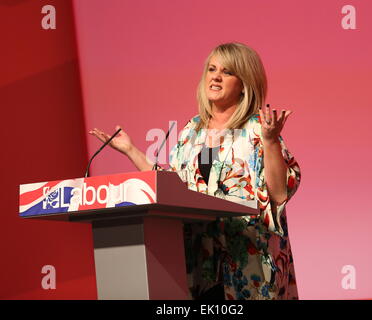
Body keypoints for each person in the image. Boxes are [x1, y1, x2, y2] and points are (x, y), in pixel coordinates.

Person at [90, 42, 301, 300]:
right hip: (202, 262)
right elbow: (177, 188)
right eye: (212, 69)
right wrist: (131, 150)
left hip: (248, 262)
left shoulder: (258, 129)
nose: (215, 76)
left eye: (227, 71)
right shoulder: (194, 131)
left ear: (244, 83)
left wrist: (270, 142)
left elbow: (278, 194)